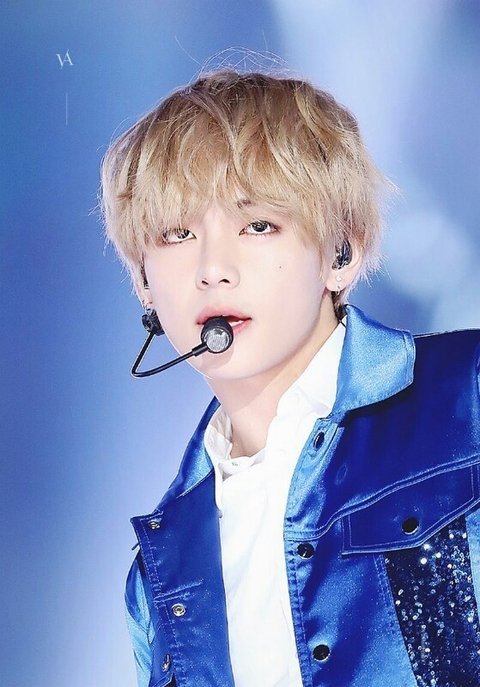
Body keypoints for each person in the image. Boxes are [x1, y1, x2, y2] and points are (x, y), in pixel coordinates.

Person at [100, 69, 480, 687]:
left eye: (257, 226)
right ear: (143, 280)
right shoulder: (164, 565)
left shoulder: (466, 396)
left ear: (341, 253)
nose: (213, 269)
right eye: (178, 234)